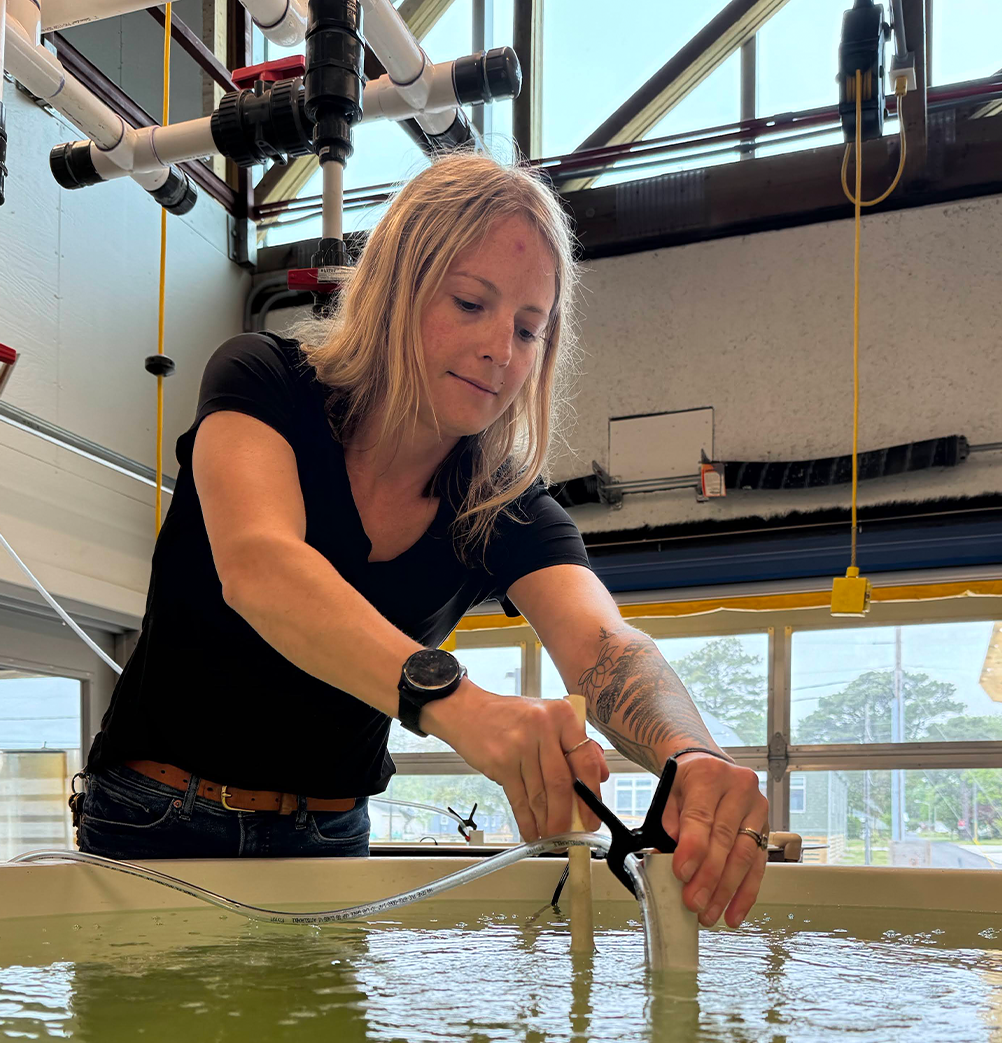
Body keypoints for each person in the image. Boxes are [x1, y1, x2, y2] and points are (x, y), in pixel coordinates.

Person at [76, 152, 769, 929]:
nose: (501, 351)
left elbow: (606, 644)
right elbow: (261, 567)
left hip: (329, 833)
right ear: (394, 290)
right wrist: (464, 708)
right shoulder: (264, 380)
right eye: (471, 303)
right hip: (156, 813)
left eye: (529, 329)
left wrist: (695, 756)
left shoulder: (499, 503)